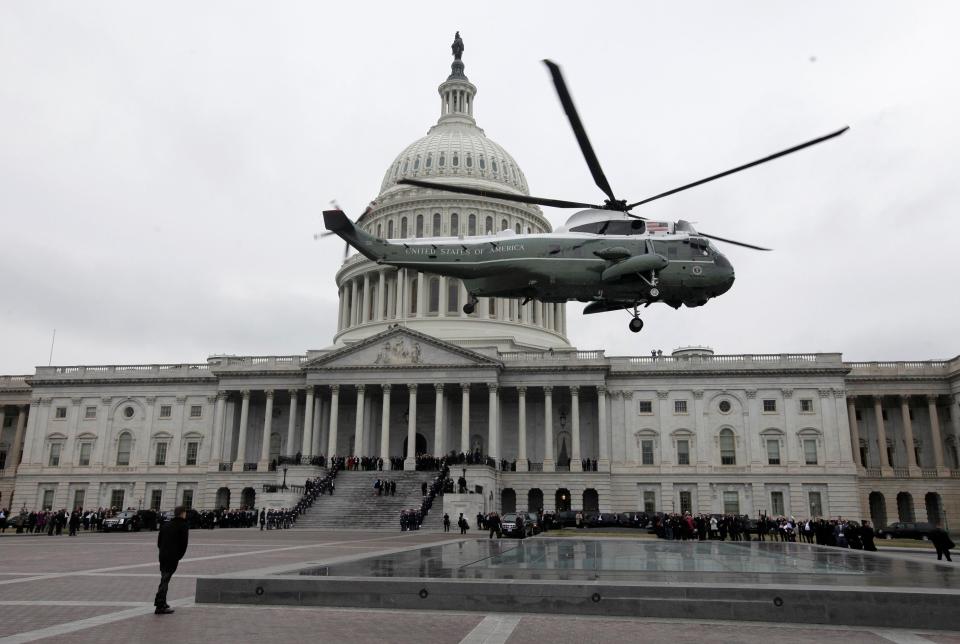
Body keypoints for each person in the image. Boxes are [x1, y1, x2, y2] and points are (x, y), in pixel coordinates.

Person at [154, 505, 189, 615]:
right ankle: (160, 605)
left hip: (163, 555)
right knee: (165, 579)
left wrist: (162, 551)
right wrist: (178, 556)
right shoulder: (183, 525)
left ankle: (162, 602)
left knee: (164, 577)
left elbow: (159, 542)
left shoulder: (166, 525)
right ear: (183, 513)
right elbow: (184, 544)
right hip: (172, 556)